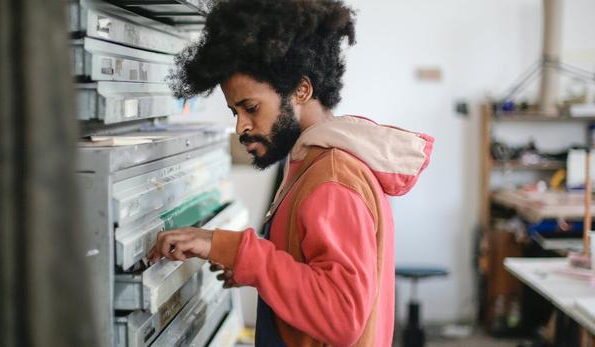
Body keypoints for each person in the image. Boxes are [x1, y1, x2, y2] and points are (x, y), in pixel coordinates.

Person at [147, 0, 434, 346]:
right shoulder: (312, 163)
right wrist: (257, 271)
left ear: (301, 90)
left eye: (251, 108)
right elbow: (314, 271)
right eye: (234, 111)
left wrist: (238, 251)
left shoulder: (332, 180)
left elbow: (342, 315)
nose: (241, 127)